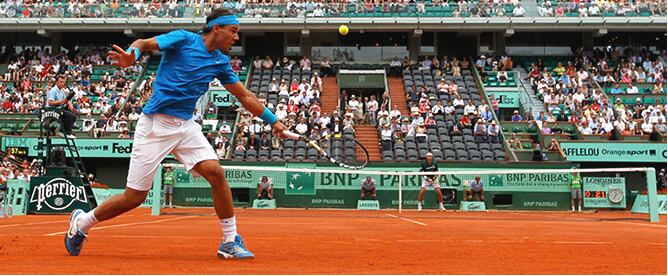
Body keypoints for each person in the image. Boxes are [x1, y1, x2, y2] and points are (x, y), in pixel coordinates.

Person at [63, 9, 288, 260]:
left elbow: (244, 96)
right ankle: (82, 223)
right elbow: (144, 43)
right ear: (217, 28)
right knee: (134, 197)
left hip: (185, 125)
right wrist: (133, 55)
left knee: (216, 173)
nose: (236, 37)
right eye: (233, 31)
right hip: (154, 126)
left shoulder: (221, 62)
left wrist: (274, 121)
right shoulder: (183, 39)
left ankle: (229, 240)